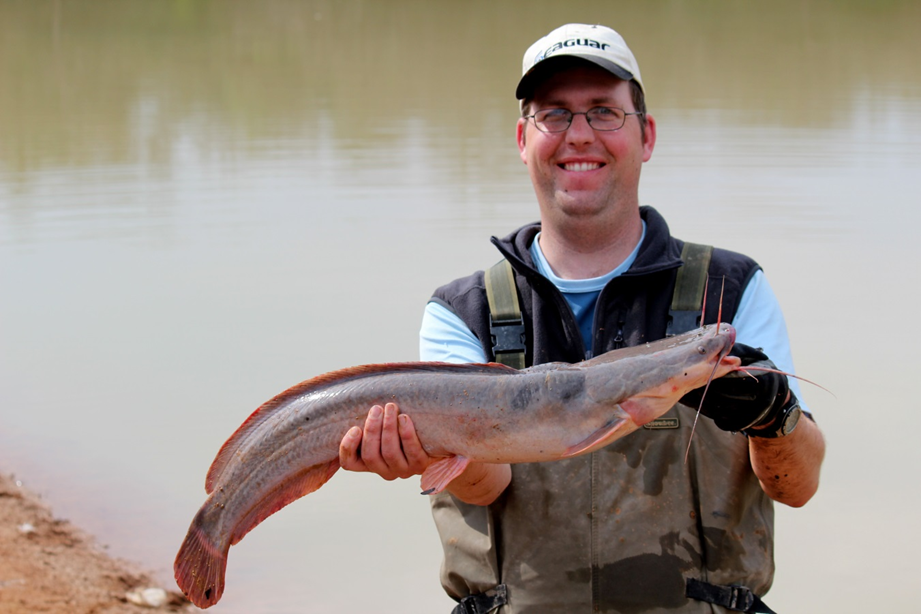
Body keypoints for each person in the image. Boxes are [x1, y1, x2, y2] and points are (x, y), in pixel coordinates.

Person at [339, 23, 825, 614]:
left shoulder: (732, 287)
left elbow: (796, 487)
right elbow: (488, 484)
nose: (579, 136)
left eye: (603, 112)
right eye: (555, 115)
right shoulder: (461, 312)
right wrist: (427, 451)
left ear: (645, 136)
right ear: (523, 137)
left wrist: (776, 416)